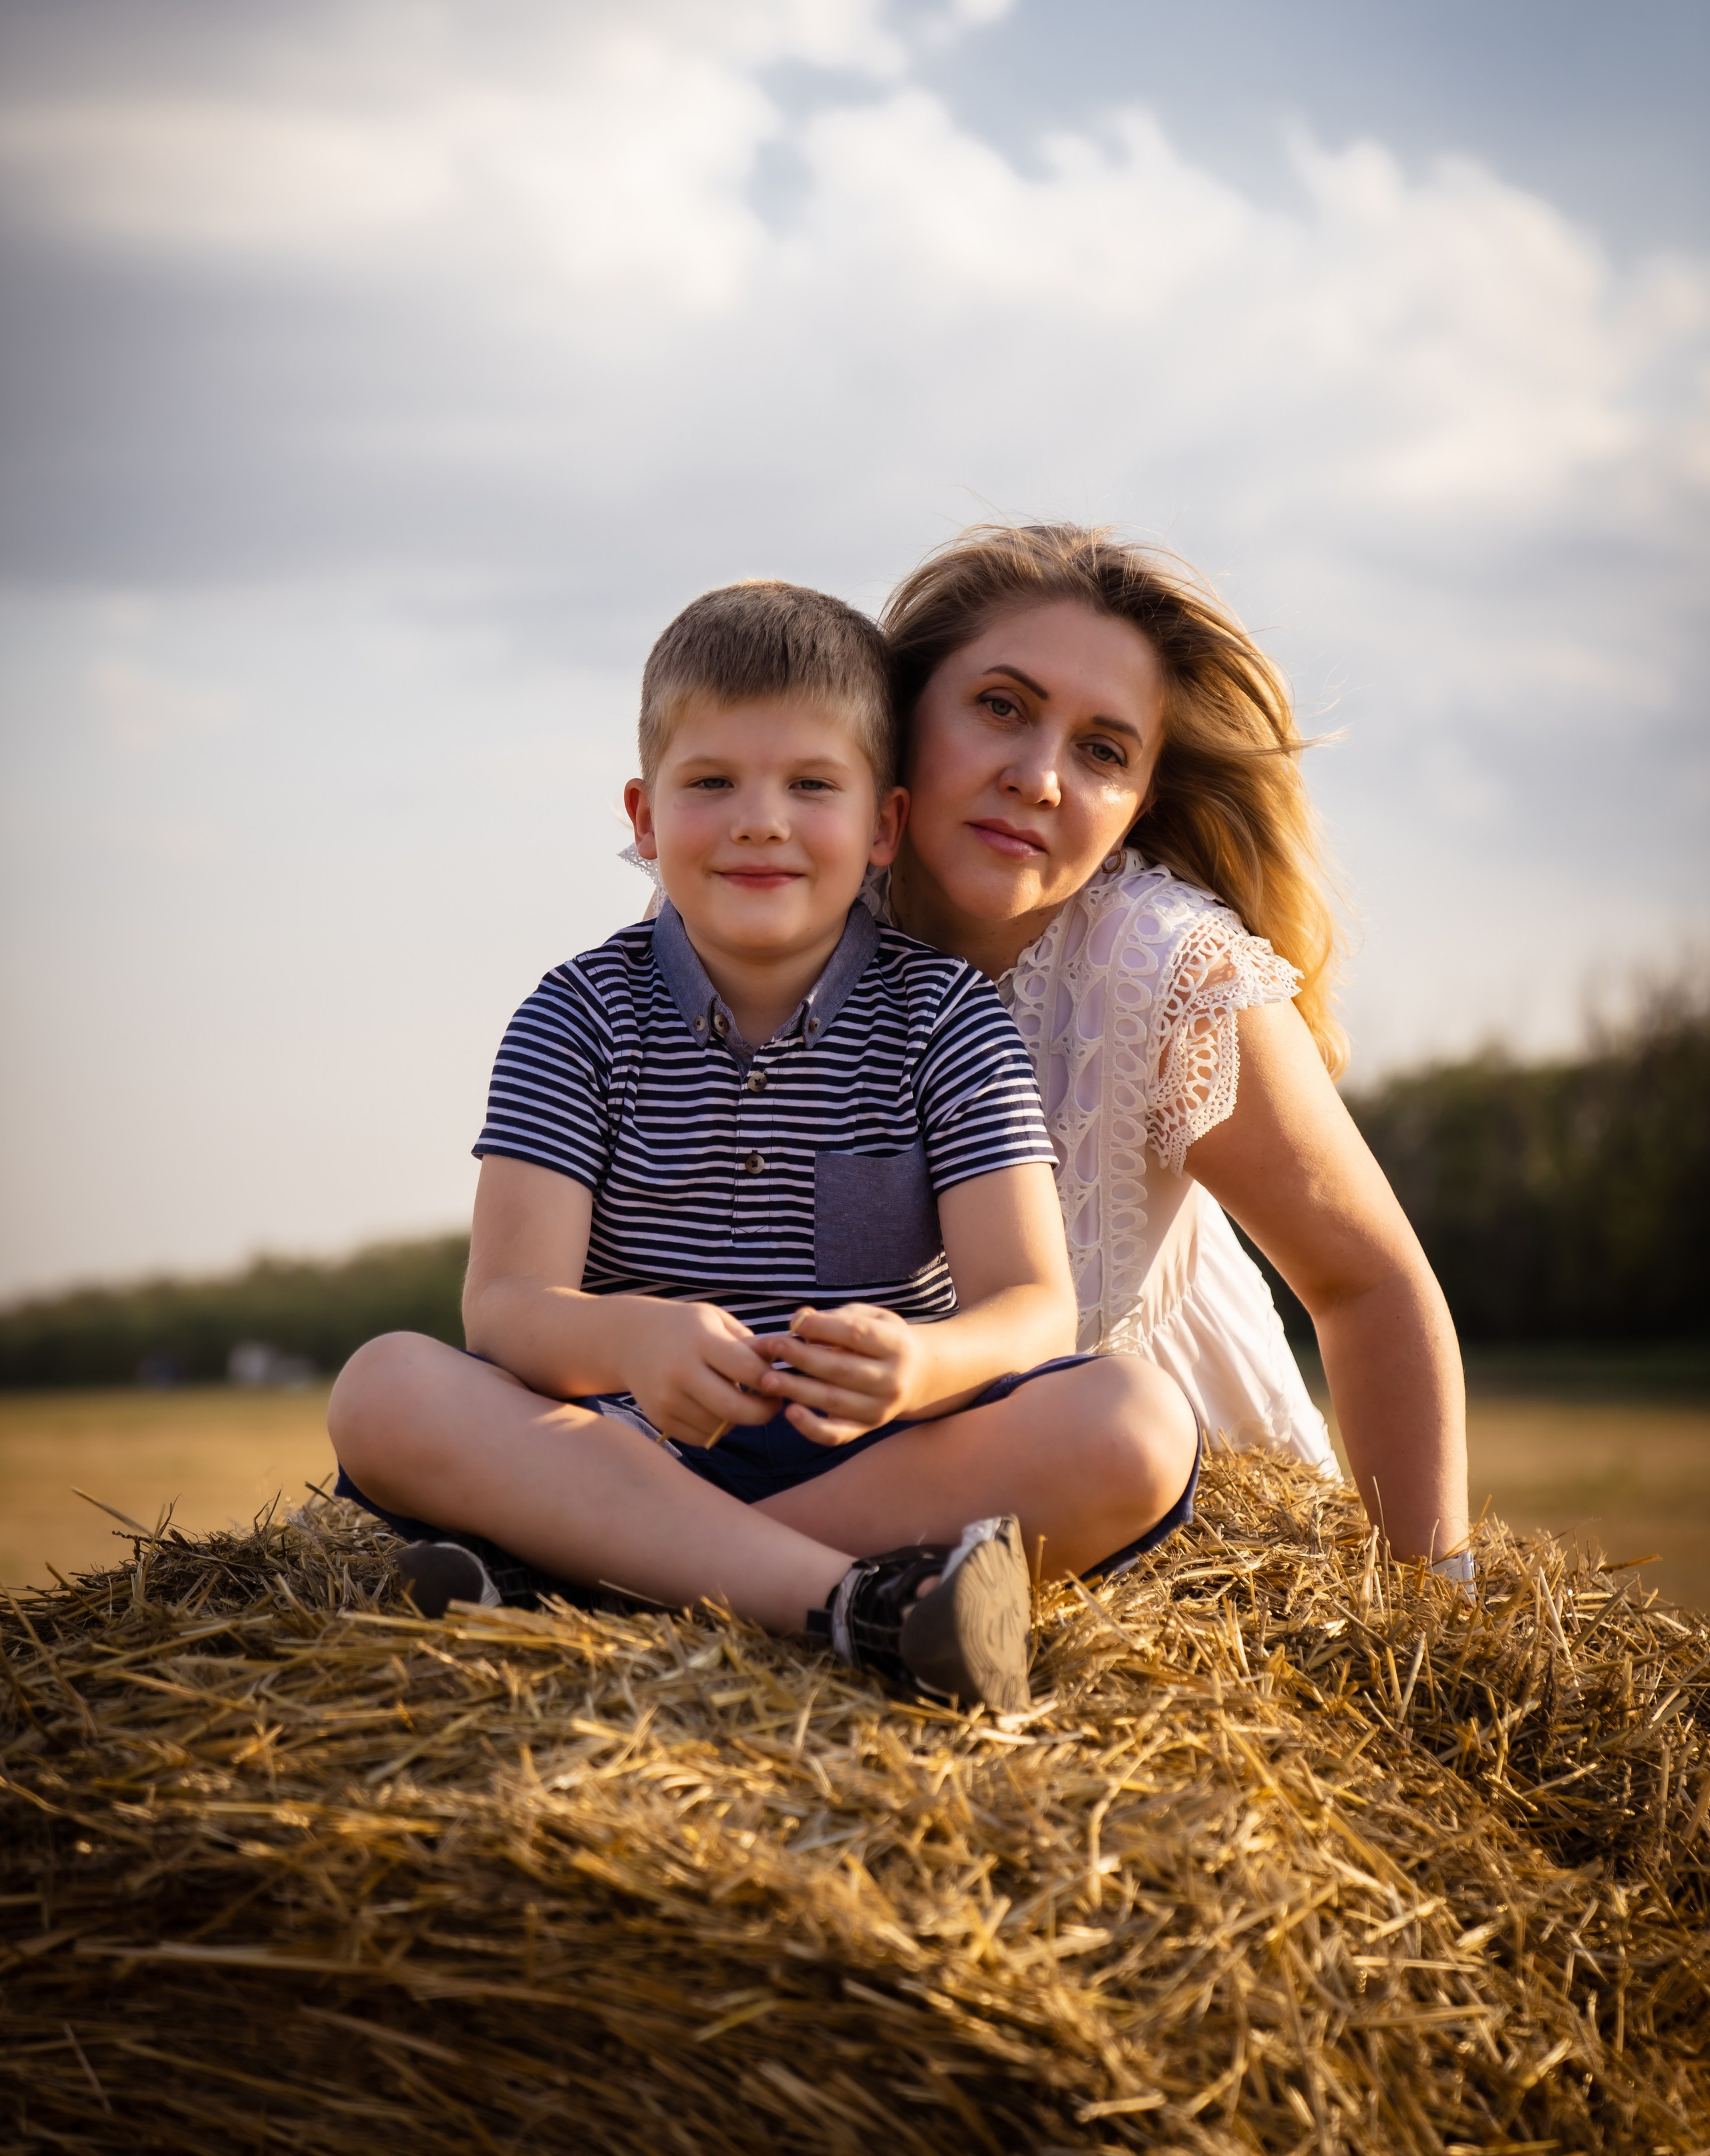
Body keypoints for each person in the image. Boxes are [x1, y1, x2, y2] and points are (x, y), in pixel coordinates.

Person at [327, 581, 1201, 1707]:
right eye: (711, 784)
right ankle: (857, 1608)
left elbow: (1034, 1304)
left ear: (882, 825)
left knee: (1135, 1425)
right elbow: (503, 1307)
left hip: (874, 1460)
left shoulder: (946, 1019)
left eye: (810, 786)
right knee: (382, 1389)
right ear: (643, 820)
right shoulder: (576, 1014)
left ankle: (590, 1590)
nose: (760, 821)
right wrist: (634, 1343)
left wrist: (922, 1365)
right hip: (622, 1447)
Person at [871, 523, 1470, 1573]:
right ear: (902, 714)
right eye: (1001, 707)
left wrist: (1447, 1636)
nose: (1040, 777)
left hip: (1146, 1514)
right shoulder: (776, 885)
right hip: (850, 1479)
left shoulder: (1162, 971)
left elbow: (1370, 1288)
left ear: (1139, 803)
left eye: (1102, 751)